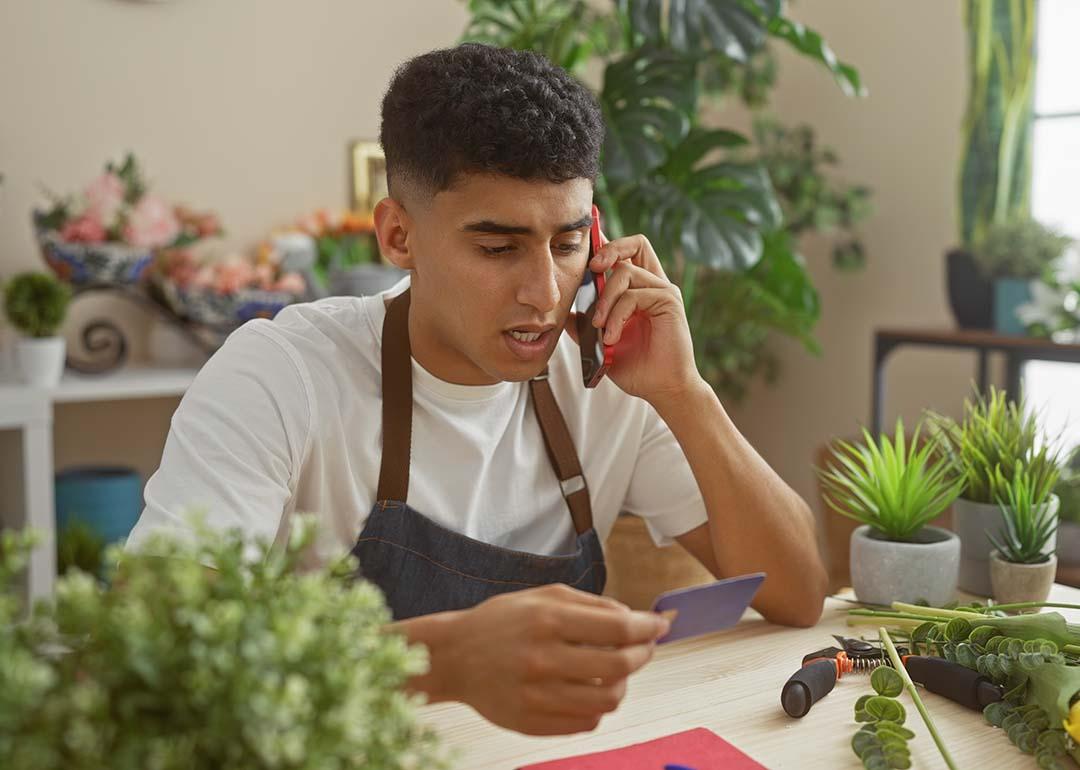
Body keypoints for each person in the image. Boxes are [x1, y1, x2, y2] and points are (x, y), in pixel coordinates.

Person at [127, 42, 827, 736]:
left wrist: (685, 393)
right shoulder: (281, 375)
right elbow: (154, 648)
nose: (545, 293)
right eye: (498, 248)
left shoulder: (611, 375)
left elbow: (797, 595)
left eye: (567, 243)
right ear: (399, 236)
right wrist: (448, 661)